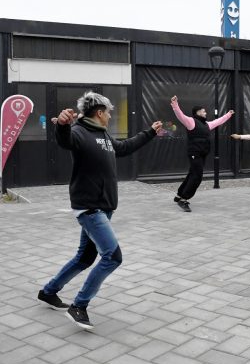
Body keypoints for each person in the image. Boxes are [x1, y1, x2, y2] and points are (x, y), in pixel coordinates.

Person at [38, 91, 161, 330]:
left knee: (85, 257)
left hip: (103, 207)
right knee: (113, 257)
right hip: (90, 207)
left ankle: (49, 291)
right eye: (109, 113)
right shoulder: (78, 132)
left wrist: (150, 133)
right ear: (100, 112)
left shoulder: (103, 135)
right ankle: (79, 306)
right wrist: (62, 125)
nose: (111, 116)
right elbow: (65, 140)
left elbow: (124, 148)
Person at [170, 96, 234, 212]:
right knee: (197, 177)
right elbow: (180, 115)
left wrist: (228, 115)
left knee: (192, 173)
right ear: (198, 112)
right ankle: (184, 199)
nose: (206, 113)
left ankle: (179, 195)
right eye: (204, 111)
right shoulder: (191, 122)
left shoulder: (207, 125)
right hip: (195, 153)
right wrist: (175, 104)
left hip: (202, 154)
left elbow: (218, 121)